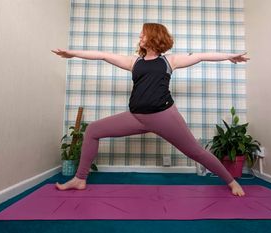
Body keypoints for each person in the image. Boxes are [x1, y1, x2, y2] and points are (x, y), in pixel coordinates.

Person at [52, 23, 249, 197]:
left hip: (164, 116)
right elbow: (103, 56)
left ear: (154, 36)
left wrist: (228, 56)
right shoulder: (134, 62)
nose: (140, 37)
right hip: (136, 117)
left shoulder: (169, 61)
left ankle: (231, 181)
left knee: (196, 152)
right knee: (93, 130)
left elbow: (200, 57)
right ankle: (80, 179)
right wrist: (73, 53)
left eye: (143, 34)